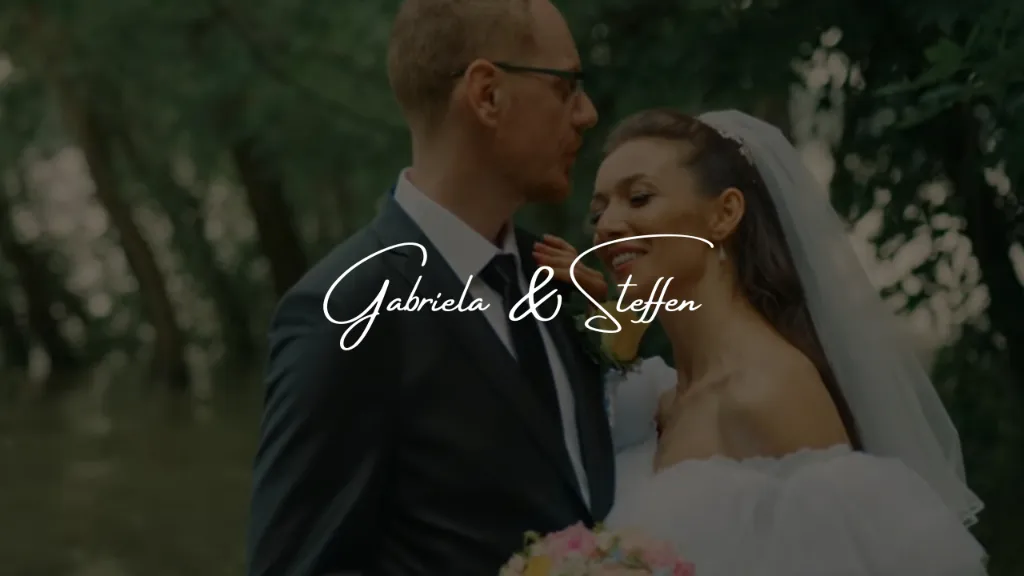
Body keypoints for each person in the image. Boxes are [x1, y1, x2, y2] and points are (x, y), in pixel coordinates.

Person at [244, 0, 616, 574]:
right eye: (566, 86)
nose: (587, 114)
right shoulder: (344, 309)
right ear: (487, 94)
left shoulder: (562, 279)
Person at [534, 108, 989, 575]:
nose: (607, 225)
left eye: (639, 198)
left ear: (725, 214)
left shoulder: (770, 392)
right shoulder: (659, 402)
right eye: (599, 210)